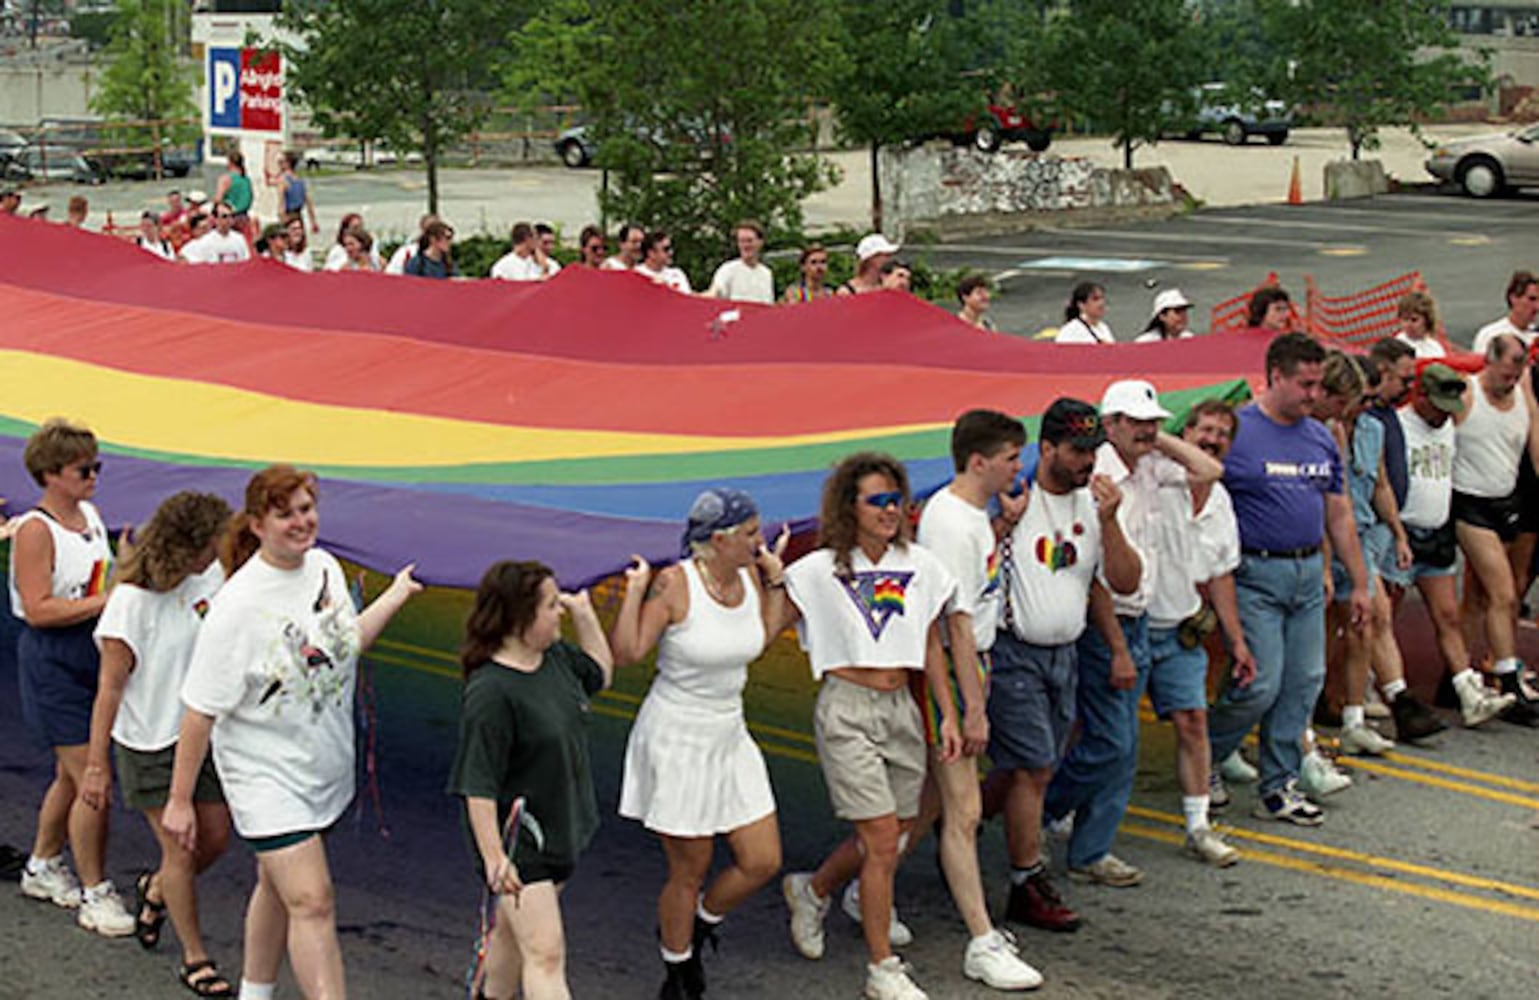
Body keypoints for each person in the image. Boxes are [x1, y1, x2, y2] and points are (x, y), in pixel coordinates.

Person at [163, 465, 421, 1000]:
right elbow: (199, 710)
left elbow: (345, 645)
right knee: (312, 901)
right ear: (257, 524)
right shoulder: (235, 607)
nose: (303, 522)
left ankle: (255, 994)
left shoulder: (323, 567)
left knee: (276, 887)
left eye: (307, 509)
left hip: (321, 765)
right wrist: (180, 800)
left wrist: (396, 595)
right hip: (264, 776)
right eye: (287, 514)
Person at [779, 452, 963, 1000]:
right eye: (875, 501)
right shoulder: (817, 570)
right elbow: (766, 625)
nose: (889, 510)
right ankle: (883, 969)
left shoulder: (922, 566)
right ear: (849, 508)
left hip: (901, 708)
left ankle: (813, 890)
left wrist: (948, 713)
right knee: (883, 840)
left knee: (893, 832)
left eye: (895, 500)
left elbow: (931, 644)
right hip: (847, 709)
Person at [1043, 380, 1224, 885]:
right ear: (1112, 424)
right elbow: (1098, 576)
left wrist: (1156, 440)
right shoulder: (1097, 475)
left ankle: (1088, 846)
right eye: (1138, 421)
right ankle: (1044, 809)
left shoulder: (1150, 465)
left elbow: (1210, 469)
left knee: (1120, 743)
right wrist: (1119, 646)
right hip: (1108, 619)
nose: (1149, 429)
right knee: (1112, 741)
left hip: (1139, 613)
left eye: (1154, 420)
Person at [609, 490, 788, 999]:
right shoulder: (675, 584)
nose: (761, 540)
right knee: (689, 868)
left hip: (729, 732)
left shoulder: (752, 576)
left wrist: (775, 581)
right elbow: (629, 651)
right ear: (719, 540)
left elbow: (762, 637)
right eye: (751, 533)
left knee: (762, 859)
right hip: (678, 736)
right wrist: (635, 591)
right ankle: (678, 968)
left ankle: (699, 924)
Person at [981, 398, 1140, 932]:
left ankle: (960, 820)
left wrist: (1111, 522)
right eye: (1076, 451)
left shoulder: (1091, 506)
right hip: (1014, 650)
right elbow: (968, 566)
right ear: (1045, 448)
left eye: (1092, 451)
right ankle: (1027, 880)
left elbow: (1117, 582)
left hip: (1065, 653)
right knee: (1035, 768)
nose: (1087, 462)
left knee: (1027, 764)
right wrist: (1003, 524)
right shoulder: (1013, 497)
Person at [901, 411, 1044, 990]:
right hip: (952, 674)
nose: (1019, 466)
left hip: (972, 667)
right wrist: (971, 708)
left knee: (930, 804)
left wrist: (1004, 528)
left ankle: (830, 887)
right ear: (979, 461)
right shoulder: (952, 523)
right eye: (1012, 457)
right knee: (962, 811)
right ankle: (982, 942)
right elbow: (953, 624)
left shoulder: (975, 518)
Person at [1206, 333, 1372, 827]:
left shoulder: (1320, 437)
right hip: (1254, 573)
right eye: (1304, 384)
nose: (1313, 394)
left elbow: (1338, 514)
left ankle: (1278, 787)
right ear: (1275, 376)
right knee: (1259, 682)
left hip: (1304, 574)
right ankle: (1206, 753)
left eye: (1318, 384)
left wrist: (1357, 582)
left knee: (1303, 684)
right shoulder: (1238, 431)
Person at [82, 492, 235, 996]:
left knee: (214, 838)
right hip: (148, 741)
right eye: (209, 545)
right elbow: (110, 688)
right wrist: (96, 765)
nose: (216, 553)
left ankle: (155, 888)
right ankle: (196, 957)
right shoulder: (130, 604)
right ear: (184, 547)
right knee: (181, 848)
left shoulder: (208, 576)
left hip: (200, 732)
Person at [447, 560, 614, 1000]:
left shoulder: (555, 658)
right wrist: (495, 858)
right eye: (551, 606)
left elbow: (600, 674)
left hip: (563, 826)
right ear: (521, 618)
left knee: (510, 935)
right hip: (522, 840)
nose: (557, 611)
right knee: (545, 953)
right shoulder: (491, 692)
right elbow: (477, 782)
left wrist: (584, 614)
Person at [10, 420, 133, 935]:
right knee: (90, 779)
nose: (94, 476)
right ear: (51, 474)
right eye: (85, 469)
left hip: (91, 650)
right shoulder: (35, 530)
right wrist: (107, 601)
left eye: (97, 466)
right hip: (52, 658)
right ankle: (96, 891)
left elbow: (100, 579)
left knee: (69, 773)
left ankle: (41, 864)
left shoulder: (90, 516)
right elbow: (38, 608)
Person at [1313, 352, 1443, 753]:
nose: (1365, 407)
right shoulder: (1324, 432)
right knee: (1320, 632)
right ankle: (1319, 702)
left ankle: (1362, 712)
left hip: (1362, 535)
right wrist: (1326, 563)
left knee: (1366, 621)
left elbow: (1381, 484)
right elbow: (1329, 502)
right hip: (1327, 537)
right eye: (1361, 399)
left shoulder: (1372, 429)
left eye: (1369, 400)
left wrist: (1399, 534)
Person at [1389, 363, 1515, 726]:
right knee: (1386, 618)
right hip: (1406, 531)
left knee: (1447, 615)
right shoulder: (1399, 425)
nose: (1446, 415)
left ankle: (1467, 692)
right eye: (1440, 405)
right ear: (1421, 397)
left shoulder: (1448, 426)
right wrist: (1395, 532)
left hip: (1438, 531)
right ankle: (1374, 685)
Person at [1451, 332, 1539, 725]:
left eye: (1518, 369)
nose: (1512, 378)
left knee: (1479, 599)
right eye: (1506, 370)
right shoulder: (1467, 395)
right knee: (1505, 592)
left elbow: (1535, 442)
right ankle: (1508, 679)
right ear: (1489, 361)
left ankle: (1455, 679)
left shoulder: (1523, 393)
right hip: (1470, 505)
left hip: (1506, 503)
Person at [707, 220, 774, 304]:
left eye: (749, 241)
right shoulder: (728, 269)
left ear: (760, 242)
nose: (745, 245)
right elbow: (713, 294)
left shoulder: (766, 274)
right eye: (742, 241)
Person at [1471, 270, 1539, 354]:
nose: (1537, 307)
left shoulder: (1536, 335)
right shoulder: (1491, 335)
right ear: (1513, 298)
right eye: (1531, 299)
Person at [180, 205, 251, 265]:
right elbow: (184, 255)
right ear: (216, 219)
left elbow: (246, 261)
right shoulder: (206, 240)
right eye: (224, 216)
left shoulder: (239, 238)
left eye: (231, 216)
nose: (229, 219)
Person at [634, 230, 693, 294]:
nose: (671, 252)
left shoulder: (677, 274)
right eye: (666, 249)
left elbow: (687, 300)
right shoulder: (635, 274)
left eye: (671, 248)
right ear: (651, 253)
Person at [1393, 291, 1445, 359]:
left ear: (1427, 321)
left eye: (1414, 320)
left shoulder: (1435, 348)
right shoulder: (1397, 344)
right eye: (1405, 319)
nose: (1408, 325)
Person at [277, 152, 318, 235]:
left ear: (288, 163)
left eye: (281, 162)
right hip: (298, 215)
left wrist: (281, 220)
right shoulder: (299, 180)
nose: (279, 164)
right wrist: (313, 221)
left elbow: (282, 203)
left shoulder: (283, 180)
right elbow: (308, 202)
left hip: (288, 216)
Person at [214, 151, 253, 235]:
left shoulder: (225, 179)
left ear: (230, 163)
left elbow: (218, 200)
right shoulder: (246, 180)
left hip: (228, 218)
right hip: (243, 219)